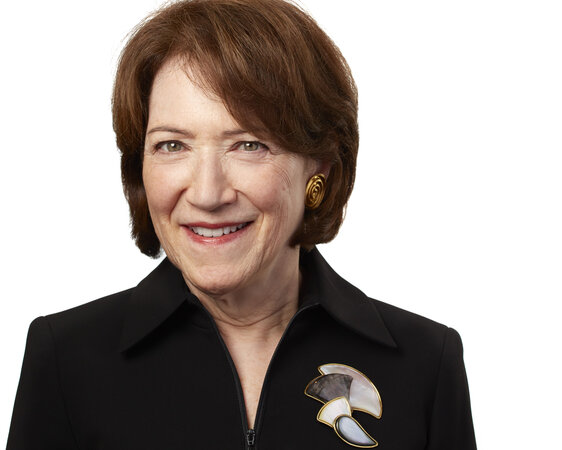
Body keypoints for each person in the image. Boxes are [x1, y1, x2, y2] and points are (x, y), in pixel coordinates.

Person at [7, 0, 476, 448]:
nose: (207, 194)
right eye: (172, 145)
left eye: (249, 145)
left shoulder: (424, 364)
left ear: (320, 168)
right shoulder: (66, 361)